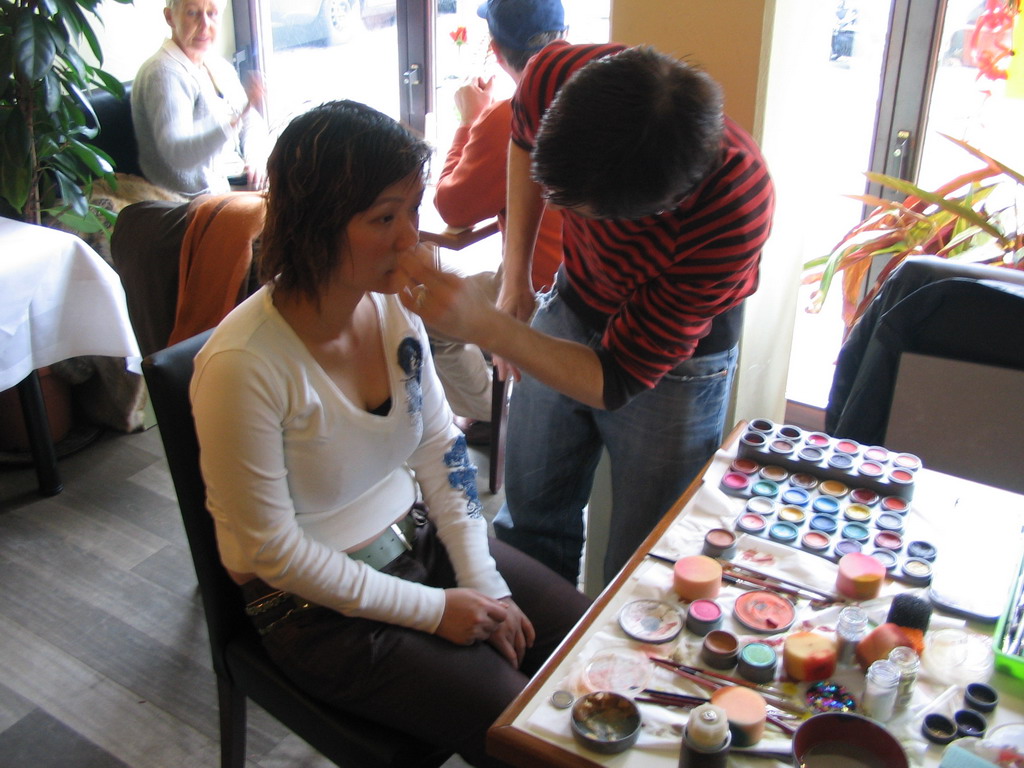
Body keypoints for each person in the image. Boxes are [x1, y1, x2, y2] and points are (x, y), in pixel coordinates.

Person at [190, 100, 590, 767]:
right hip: (315, 612)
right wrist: (436, 611)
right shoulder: (243, 366)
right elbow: (274, 553)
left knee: (586, 640)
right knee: (526, 733)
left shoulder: (391, 311)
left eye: (414, 209)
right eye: (384, 218)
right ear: (315, 224)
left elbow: (443, 451)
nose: (413, 239)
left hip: (414, 539)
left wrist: (481, 580)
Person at [400, 43, 775, 587]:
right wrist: (514, 283)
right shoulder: (557, 74)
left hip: (679, 363)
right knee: (530, 516)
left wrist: (486, 326)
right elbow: (524, 148)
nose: (556, 208)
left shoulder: (734, 206)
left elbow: (617, 378)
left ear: (653, 210)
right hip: (576, 297)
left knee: (642, 559)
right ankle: (532, 650)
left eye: (576, 209)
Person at [430, 0, 568, 441]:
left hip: (536, 290)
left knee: (427, 317)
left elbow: (452, 208)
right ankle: (501, 405)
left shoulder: (506, 117)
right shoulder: (600, 96)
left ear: (494, 47)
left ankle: (491, 416)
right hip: (591, 286)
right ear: (565, 34)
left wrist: (470, 121)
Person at [132, 0, 270, 196]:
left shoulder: (216, 64)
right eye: (192, 13)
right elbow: (179, 154)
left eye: (212, 13)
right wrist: (236, 118)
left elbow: (250, 121)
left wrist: (256, 157)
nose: (205, 25)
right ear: (170, 17)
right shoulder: (163, 73)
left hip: (235, 183)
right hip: (195, 199)